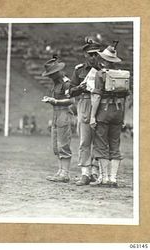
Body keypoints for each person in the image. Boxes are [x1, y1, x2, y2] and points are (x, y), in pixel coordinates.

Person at [89, 41, 129, 187]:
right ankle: (113, 178)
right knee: (115, 144)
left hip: (104, 112)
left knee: (101, 144)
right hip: (118, 112)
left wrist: (93, 116)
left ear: (104, 60)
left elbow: (97, 97)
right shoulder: (122, 74)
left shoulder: (100, 74)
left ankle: (104, 178)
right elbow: (125, 97)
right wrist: (122, 117)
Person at [68, 39, 102, 186]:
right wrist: (80, 88)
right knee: (84, 140)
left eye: (96, 54)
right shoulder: (79, 70)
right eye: (90, 54)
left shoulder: (103, 69)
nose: (93, 57)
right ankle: (85, 173)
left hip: (101, 104)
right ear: (85, 55)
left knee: (99, 140)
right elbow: (70, 91)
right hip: (84, 102)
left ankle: (95, 172)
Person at [41, 56, 75, 183]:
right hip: (55, 114)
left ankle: (65, 173)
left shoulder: (66, 83)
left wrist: (55, 101)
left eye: (52, 74)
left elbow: (71, 100)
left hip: (64, 114)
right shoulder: (56, 84)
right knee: (56, 145)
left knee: (63, 144)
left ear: (57, 72)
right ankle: (60, 171)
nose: (50, 77)